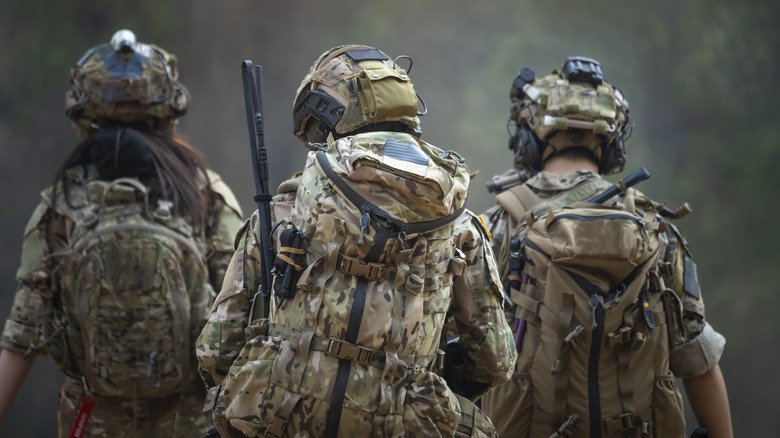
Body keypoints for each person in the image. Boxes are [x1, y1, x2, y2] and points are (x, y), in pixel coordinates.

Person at [196, 44, 516, 437]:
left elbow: (215, 351)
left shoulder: (283, 211)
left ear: (329, 118)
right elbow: (496, 361)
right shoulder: (459, 225)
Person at [0, 29, 244, 437]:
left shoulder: (62, 202)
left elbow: (21, 336)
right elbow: (241, 312)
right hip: (192, 424)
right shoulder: (205, 192)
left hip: (93, 420)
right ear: (169, 106)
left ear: (83, 108)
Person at [478, 56, 733, 438]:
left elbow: (458, 351)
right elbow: (698, 358)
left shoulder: (497, 226)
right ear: (612, 143)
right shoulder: (656, 229)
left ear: (530, 139)